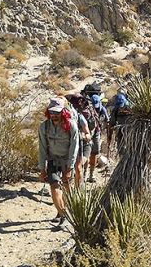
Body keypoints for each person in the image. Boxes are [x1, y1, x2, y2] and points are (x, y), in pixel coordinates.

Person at [38, 96, 79, 227]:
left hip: (67, 161)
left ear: (63, 111)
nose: (54, 115)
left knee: (67, 187)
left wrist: (70, 168)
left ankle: (65, 211)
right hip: (52, 161)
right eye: (52, 112)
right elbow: (42, 148)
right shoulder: (43, 127)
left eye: (57, 112)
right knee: (54, 188)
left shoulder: (71, 126)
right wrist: (42, 169)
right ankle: (63, 216)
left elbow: (74, 147)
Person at [87, 94, 109, 180]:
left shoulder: (101, 108)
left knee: (94, 153)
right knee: (85, 154)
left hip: (96, 133)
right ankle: (84, 173)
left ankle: (91, 174)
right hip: (87, 133)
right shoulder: (87, 109)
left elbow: (107, 119)